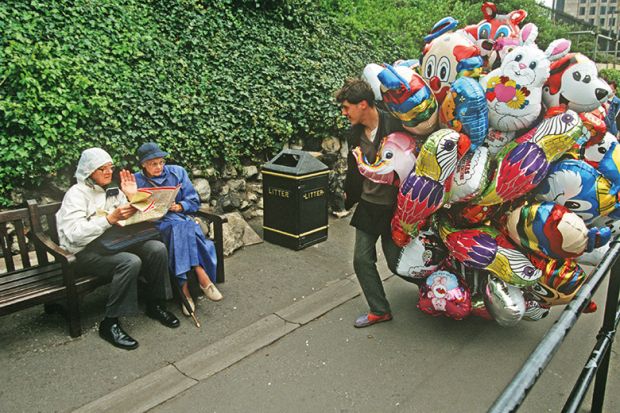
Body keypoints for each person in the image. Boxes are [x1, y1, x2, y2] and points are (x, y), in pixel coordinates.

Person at [56, 148, 180, 350]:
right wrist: (108, 219)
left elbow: (153, 216)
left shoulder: (113, 190)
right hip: (83, 253)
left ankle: (155, 305)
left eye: (110, 168)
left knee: (156, 248)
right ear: (88, 171)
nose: (108, 172)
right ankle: (110, 322)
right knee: (130, 262)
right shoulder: (76, 194)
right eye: (101, 169)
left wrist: (134, 196)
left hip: (113, 244)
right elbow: (72, 235)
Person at [335, 78, 405, 328]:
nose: (344, 113)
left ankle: (437, 289)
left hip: (398, 207)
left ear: (363, 104)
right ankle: (380, 309)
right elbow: (353, 168)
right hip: (369, 203)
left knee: (397, 263)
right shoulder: (353, 133)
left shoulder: (396, 123)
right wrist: (347, 194)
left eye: (347, 107)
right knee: (362, 260)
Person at [133, 142, 222, 317]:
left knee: (181, 226)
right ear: (143, 164)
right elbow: (135, 209)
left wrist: (180, 206)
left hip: (179, 218)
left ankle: (185, 291)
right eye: (153, 164)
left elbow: (194, 201)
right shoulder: (136, 180)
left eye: (161, 162)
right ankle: (200, 274)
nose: (159, 167)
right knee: (184, 227)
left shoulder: (178, 172)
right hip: (156, 224)